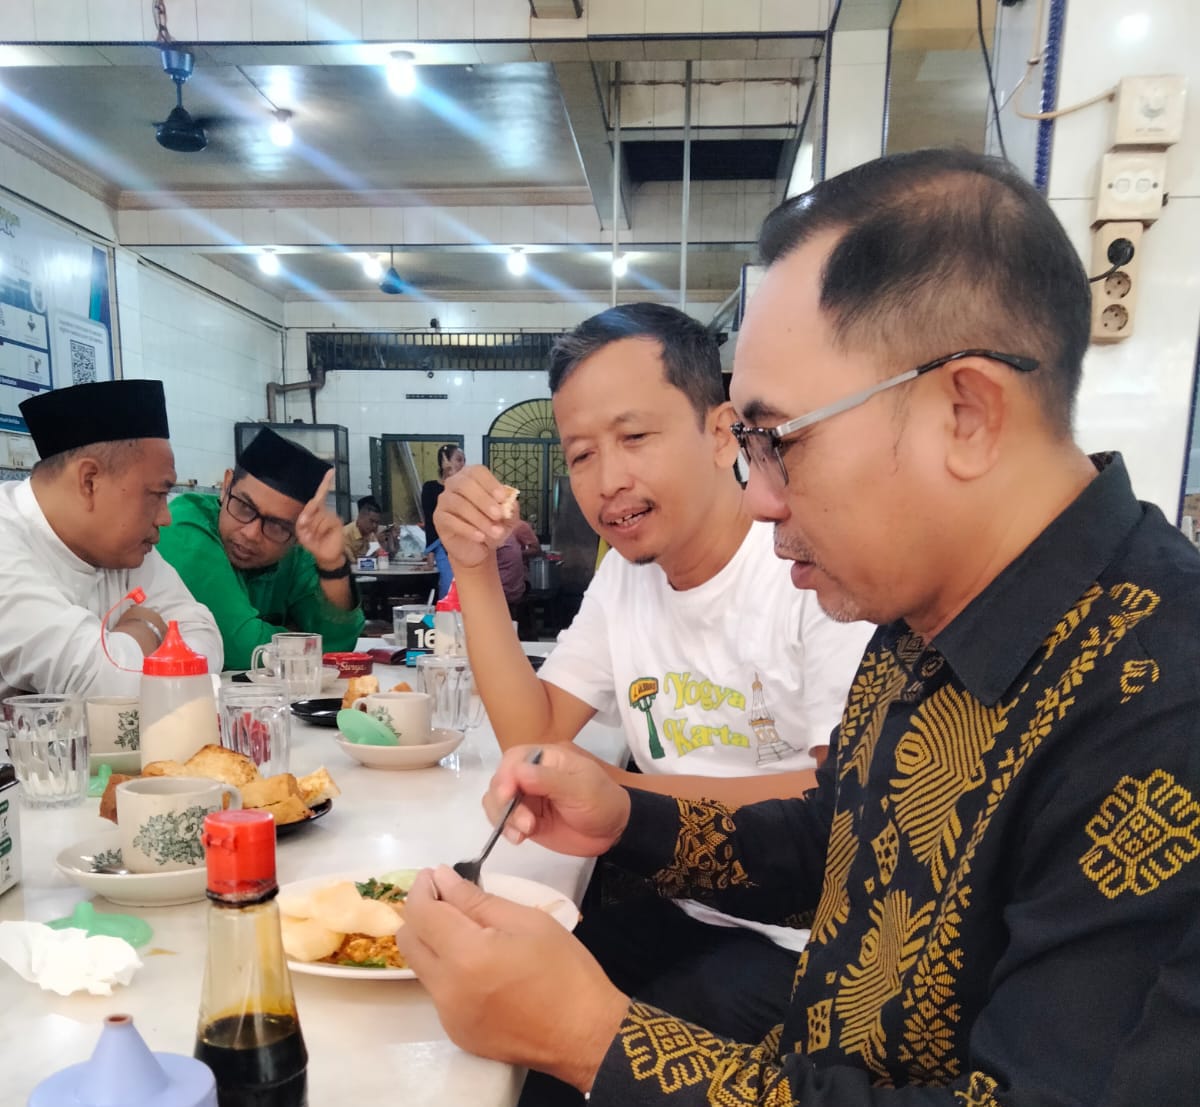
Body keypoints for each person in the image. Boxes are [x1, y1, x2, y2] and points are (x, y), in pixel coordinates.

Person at [396, 149, 1200, 1103]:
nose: (760, 497)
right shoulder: (920, 615)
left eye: (779, 441)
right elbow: (844, 839)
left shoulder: (1163, 702)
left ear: (967, 412)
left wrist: (591, 1039)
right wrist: (630, 818)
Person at [432, 303, 873, 1058]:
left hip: (805, 943)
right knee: (482, 995)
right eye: (581, 454)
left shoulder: (808, 569)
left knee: (557, 1045)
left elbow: (843, 799)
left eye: (634, 437)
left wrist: (618, 794)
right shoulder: (625, 579)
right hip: (689, 910)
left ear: (721, 432)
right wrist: (471, 566)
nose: (609, 481)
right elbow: (532, 738)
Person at [0, 379, 223, 698]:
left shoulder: (121, 549)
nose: (166, 518)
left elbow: (204, 640)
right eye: (157, 495)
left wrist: (122, 651)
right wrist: (146, 628)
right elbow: (103, 683)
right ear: (89, 481)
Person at [156, 427, 364, 670]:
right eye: (244, 507)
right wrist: (303, 639)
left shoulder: (297, 546)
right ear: (226, 486)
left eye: (276, 525)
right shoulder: (185, 527)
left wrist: (332, 565)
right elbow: (240, 648)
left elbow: (340, 647)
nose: (251, 534)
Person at [421, 442, 466, 598]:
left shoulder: (463, 489)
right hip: (443, 546)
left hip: (464, 546)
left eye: (464, 460)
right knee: (449, 590)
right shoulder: (429, 488)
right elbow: (430, 521)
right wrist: (430, 554)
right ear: (444, 460)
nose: (463, 464)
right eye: (458, 459)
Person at [343, 495, 390, 562]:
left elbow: (381, 556)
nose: (374, 526)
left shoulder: (370, 534)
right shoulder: (344, 535)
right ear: (360, 518)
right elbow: (353, 563)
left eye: (377, 522)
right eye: (371, 521)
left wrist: (382, 543)